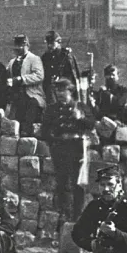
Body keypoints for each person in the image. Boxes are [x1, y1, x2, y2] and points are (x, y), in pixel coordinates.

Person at [42, 78, 95, 225]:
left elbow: (91, 124)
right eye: (57, 90)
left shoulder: (80, 106)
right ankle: (64, 214)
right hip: (60, 148)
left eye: (62, 90)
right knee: (62, 183)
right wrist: (53, 143)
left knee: (78, 184)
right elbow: (44, 130)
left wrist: (80, 118)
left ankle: (78, 215)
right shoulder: (51, 109)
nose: (59, 94)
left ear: (70, 91)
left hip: (77, 147)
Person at [6, 34, 45, 136]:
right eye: (17, 45)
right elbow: (6, 76)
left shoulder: (34, 59)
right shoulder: (11, 62)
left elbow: (39, 75)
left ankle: (26, 133)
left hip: (31, 94)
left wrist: (21, 79)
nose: (19, 48)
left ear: (27, 45)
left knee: (29, 110)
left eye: (21, 46)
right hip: (15, 96)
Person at [41, 30, 80, 104]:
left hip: (65, 91)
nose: (49, 45)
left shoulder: (66, 56)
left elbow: (73, 76)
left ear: (58, 42)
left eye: (52, 43)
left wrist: (61, 79)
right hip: (50, 92)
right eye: (48, 43)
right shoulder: (45, 57)